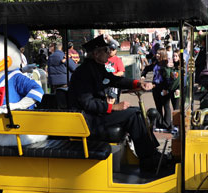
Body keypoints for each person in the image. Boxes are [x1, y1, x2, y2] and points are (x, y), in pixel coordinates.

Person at [68, 35, 161, 173]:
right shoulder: (83, 72)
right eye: (106, 50)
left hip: (97, 115)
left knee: (135, 111)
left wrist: (138, 83)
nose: (109, 52)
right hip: (89, 119)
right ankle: (148, 160)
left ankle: (152, 153)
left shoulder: (98, 67)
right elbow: (87, 103)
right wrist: (113, 107)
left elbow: (116, 80)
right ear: (96, 54)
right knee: (133, 114)